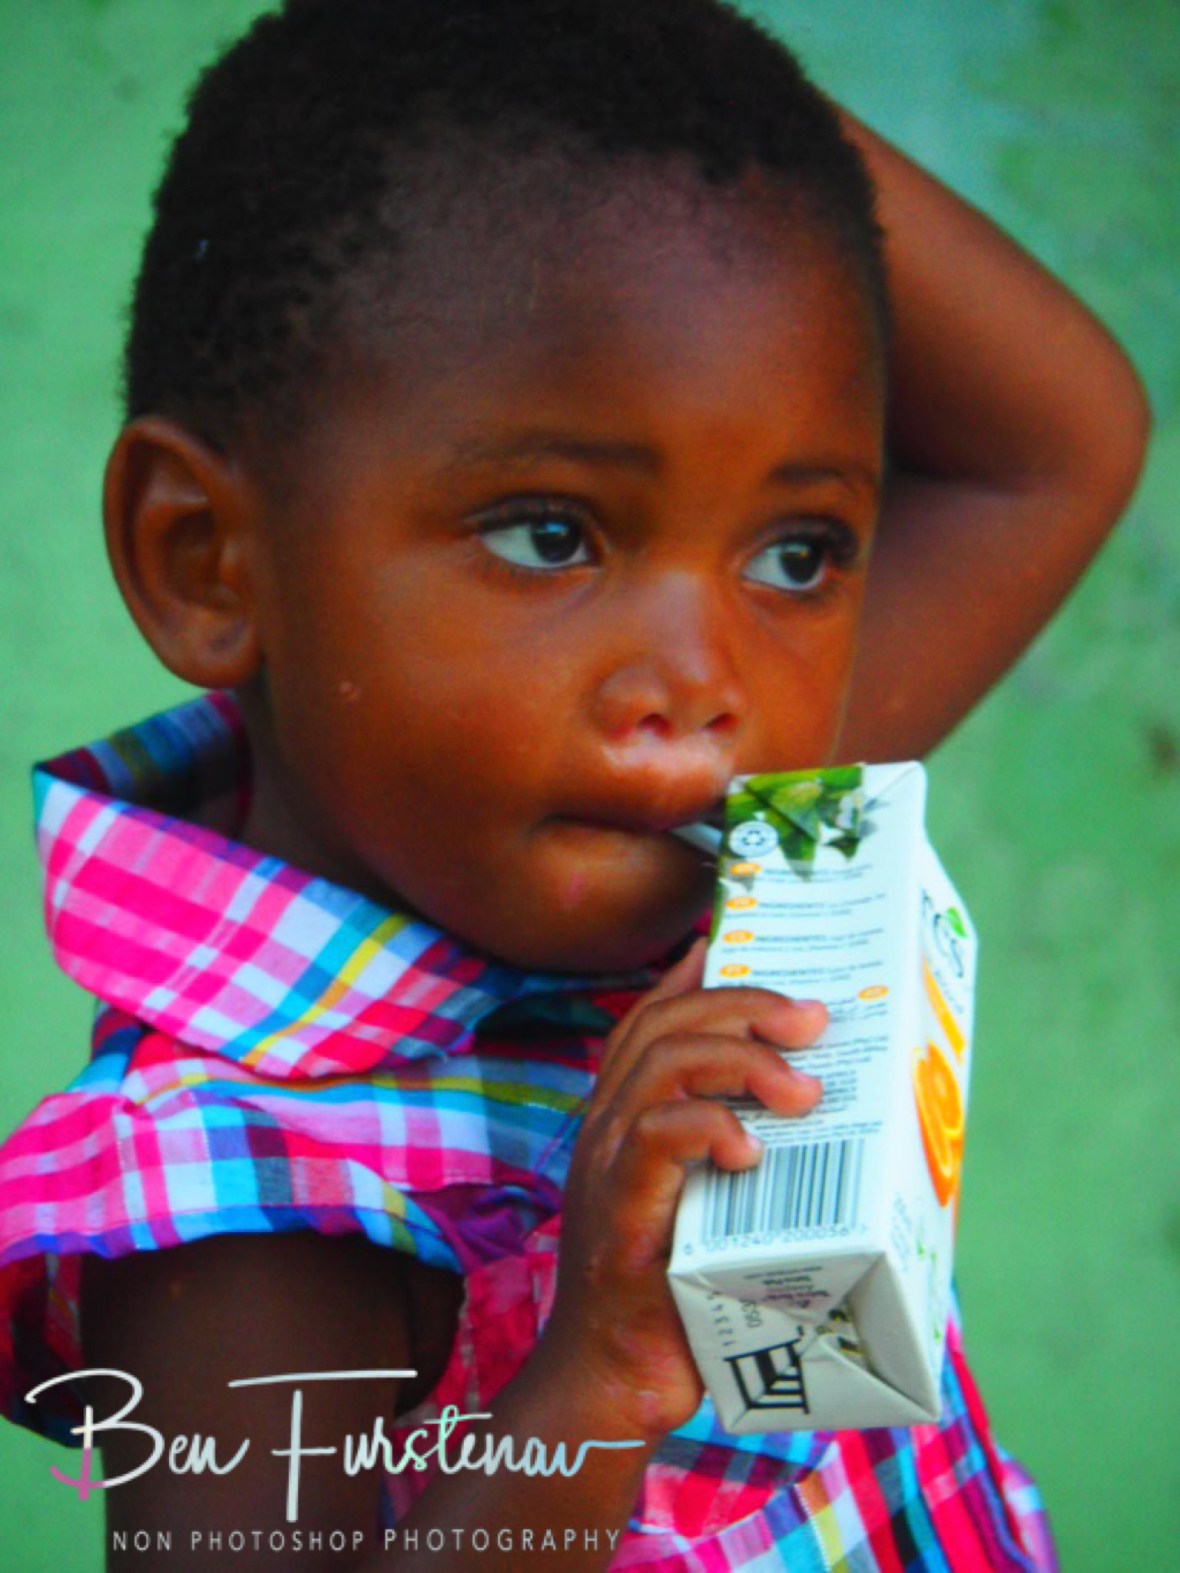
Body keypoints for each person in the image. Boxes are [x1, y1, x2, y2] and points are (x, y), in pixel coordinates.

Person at [0, 0, 1148, 1568]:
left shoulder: (723, 848)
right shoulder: (245, 1191)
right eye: (554, 531)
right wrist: (597, 1371)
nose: (706, 681)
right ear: (212, 558)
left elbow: (1061, 437)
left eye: (797, 554)